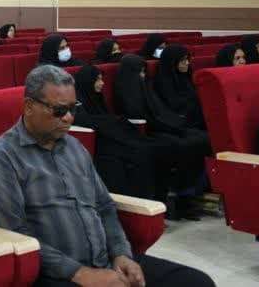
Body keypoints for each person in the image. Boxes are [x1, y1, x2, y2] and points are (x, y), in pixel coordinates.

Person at [0, 65, 214, 287]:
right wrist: (80, 273)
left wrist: (121, 253)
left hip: (105, 261)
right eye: (59, 110)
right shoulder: (1, 158)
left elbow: (104, 206)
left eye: (73, 109)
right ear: (29, 106)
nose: (68, 118)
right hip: (55, 274)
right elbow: (17, 234)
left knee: (196, 282)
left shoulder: (74, 147)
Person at [115, 54, 210, 220]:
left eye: (144, 72)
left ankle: (191, 194)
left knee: (202, 138)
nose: (143, 76)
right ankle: (179, 198)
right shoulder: (126, 90)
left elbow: (160, 111)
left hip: (160, 127)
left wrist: (176, 125)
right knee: (179, 145)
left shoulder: (146, 87)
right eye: (140, 72)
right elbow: (140, 116)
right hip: (146, 133)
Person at [74, 65, 173, 201]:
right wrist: (112, 121)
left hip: (114, 138)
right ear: (87, 82)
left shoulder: (96, 97)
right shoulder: (78, 102)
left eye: (102, 79)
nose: (102, 83)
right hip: (101, 144)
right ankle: (143, 200)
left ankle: (159, 198)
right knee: (143, 152)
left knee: (159, 147)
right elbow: (88, 122)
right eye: (98, 80)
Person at [153, 45, 206, 130]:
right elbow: (174, 106)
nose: (187, 63)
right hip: (179, 122)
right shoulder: (162, 82)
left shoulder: (185, 76)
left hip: (195, 117)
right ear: (172, 62)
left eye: (187, 59)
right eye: (182, 60)